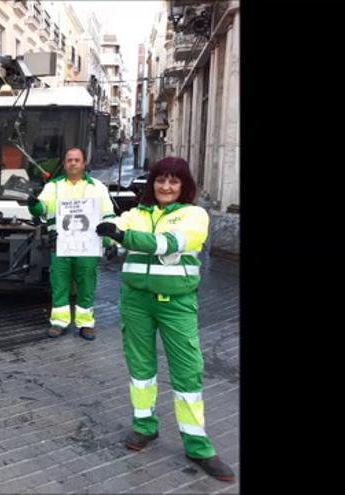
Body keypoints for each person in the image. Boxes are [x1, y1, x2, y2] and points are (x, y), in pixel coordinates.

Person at [95, 156, 235, 482]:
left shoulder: (195, 215)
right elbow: (111, 230)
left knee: (187, 371)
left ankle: (198, 445)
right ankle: (144, 427)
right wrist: (108, 234)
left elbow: (168, 244)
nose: (166, 186)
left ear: (184, 185)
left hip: (176, 304)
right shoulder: (137, 213)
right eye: (160, 180)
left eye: (174, 181)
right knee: (141, 369)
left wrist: (122, 237)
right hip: (135, 302)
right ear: (152, 183)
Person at [27, 147, 115, 340]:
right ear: (65, 164)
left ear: (84, 163)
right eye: (69, 160)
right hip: (60, 245)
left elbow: (108, 216)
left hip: (88, 246)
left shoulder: (97, 188)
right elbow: (42, 207)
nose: (73, 163)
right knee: (59, 284)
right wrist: (33, 204)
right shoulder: (53, 187)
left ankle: (86, 323)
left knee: (87, 284)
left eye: (77, 160)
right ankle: (59, 322)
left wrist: (110, 240)